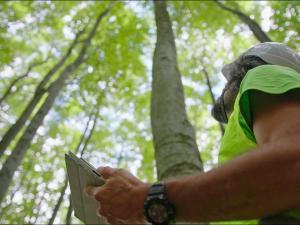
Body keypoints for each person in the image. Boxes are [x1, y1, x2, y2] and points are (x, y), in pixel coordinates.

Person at [85, 42, 300, 225]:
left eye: (230, 80)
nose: (226, 89)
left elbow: (292, 168)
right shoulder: (250, 121)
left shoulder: (265, 74)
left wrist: (143, 199)